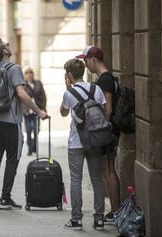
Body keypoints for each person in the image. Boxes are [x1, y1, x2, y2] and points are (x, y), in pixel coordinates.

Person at [0, 39, 48, 210]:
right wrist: (39, 111)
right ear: (5, 51)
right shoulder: (14, 69)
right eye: (8, 44)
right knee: (12, 159)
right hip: (10, 121)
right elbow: (21, 93)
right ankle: (5, 198)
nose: (10, 44)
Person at [76, 45, 121, 224]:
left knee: (108, 169)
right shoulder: (105, 78)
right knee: (106, 169)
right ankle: (114, 210)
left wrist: (100, 129)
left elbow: (107, 109)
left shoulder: (105, 80)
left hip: (106, 131)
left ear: (93, 60)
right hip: (107, 130)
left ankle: (116, 212)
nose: (86, 65)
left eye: (86, 61)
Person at [60, 58, 105, 230]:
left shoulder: (69, 94)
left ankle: (76, 220)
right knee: (97, 179)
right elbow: (104, 110)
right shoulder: (96, 89)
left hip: (76, 142)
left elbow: (63, 113)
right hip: (95, 141)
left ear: (69, 75)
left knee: (76, 180)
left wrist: (67, 89)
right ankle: (99, 219)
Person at [22, 67, 47, 156]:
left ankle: (35, 147)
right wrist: (23, 109)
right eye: (27, 72)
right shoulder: (22, 85)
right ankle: (30, 148)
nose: (29, 74)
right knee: (29, 130)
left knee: (36, 129)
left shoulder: (38, 83)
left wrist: (43, 108)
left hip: (37, 110)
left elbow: (43, 97)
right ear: (24, 75)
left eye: (31, 72)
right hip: (27, 111)